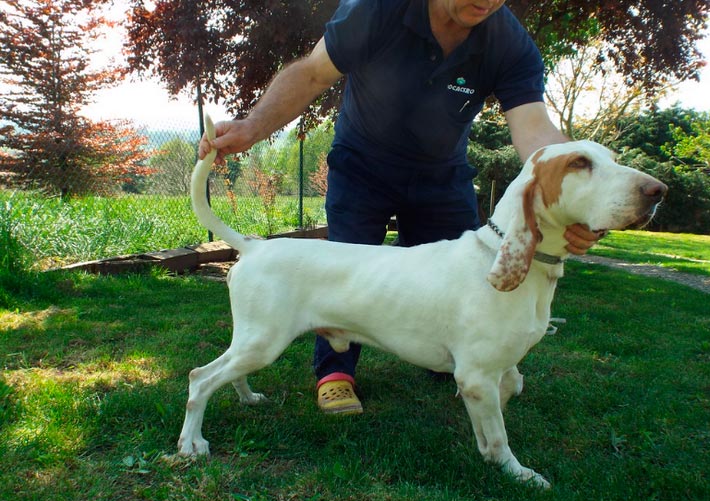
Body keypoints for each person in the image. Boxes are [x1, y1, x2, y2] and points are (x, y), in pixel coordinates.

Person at [198, 0, 602, 415]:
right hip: (363, 166)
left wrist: (580, 199)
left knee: (470, 276)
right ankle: (335, 374)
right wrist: (252, 126)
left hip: (442, 175)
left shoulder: (509, 41)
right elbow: (313, 72)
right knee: (339, 274)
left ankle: (459, 357)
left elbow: (535, 132)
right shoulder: (376, 8)